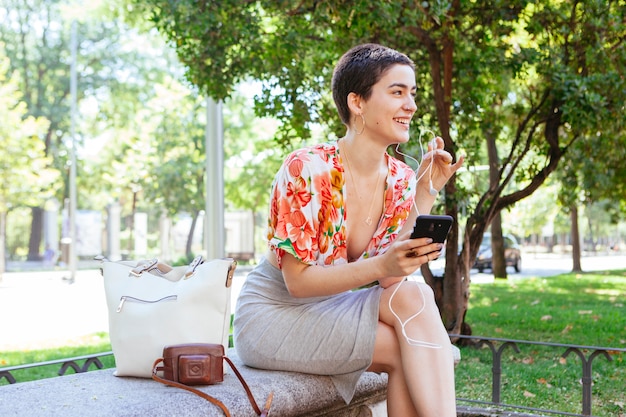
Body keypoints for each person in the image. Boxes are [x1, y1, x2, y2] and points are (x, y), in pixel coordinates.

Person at [233, 43, 464, 417]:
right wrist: (381, 266)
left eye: (413, 93)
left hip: (333, 307)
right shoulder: (306, 169)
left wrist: (426, 190)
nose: (412, 105)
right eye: (397, 92)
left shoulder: (402, 179)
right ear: (357, 102)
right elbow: (299, 283)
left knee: (415, 300)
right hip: (275, 312)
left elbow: (393, 283)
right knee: (406, 343)